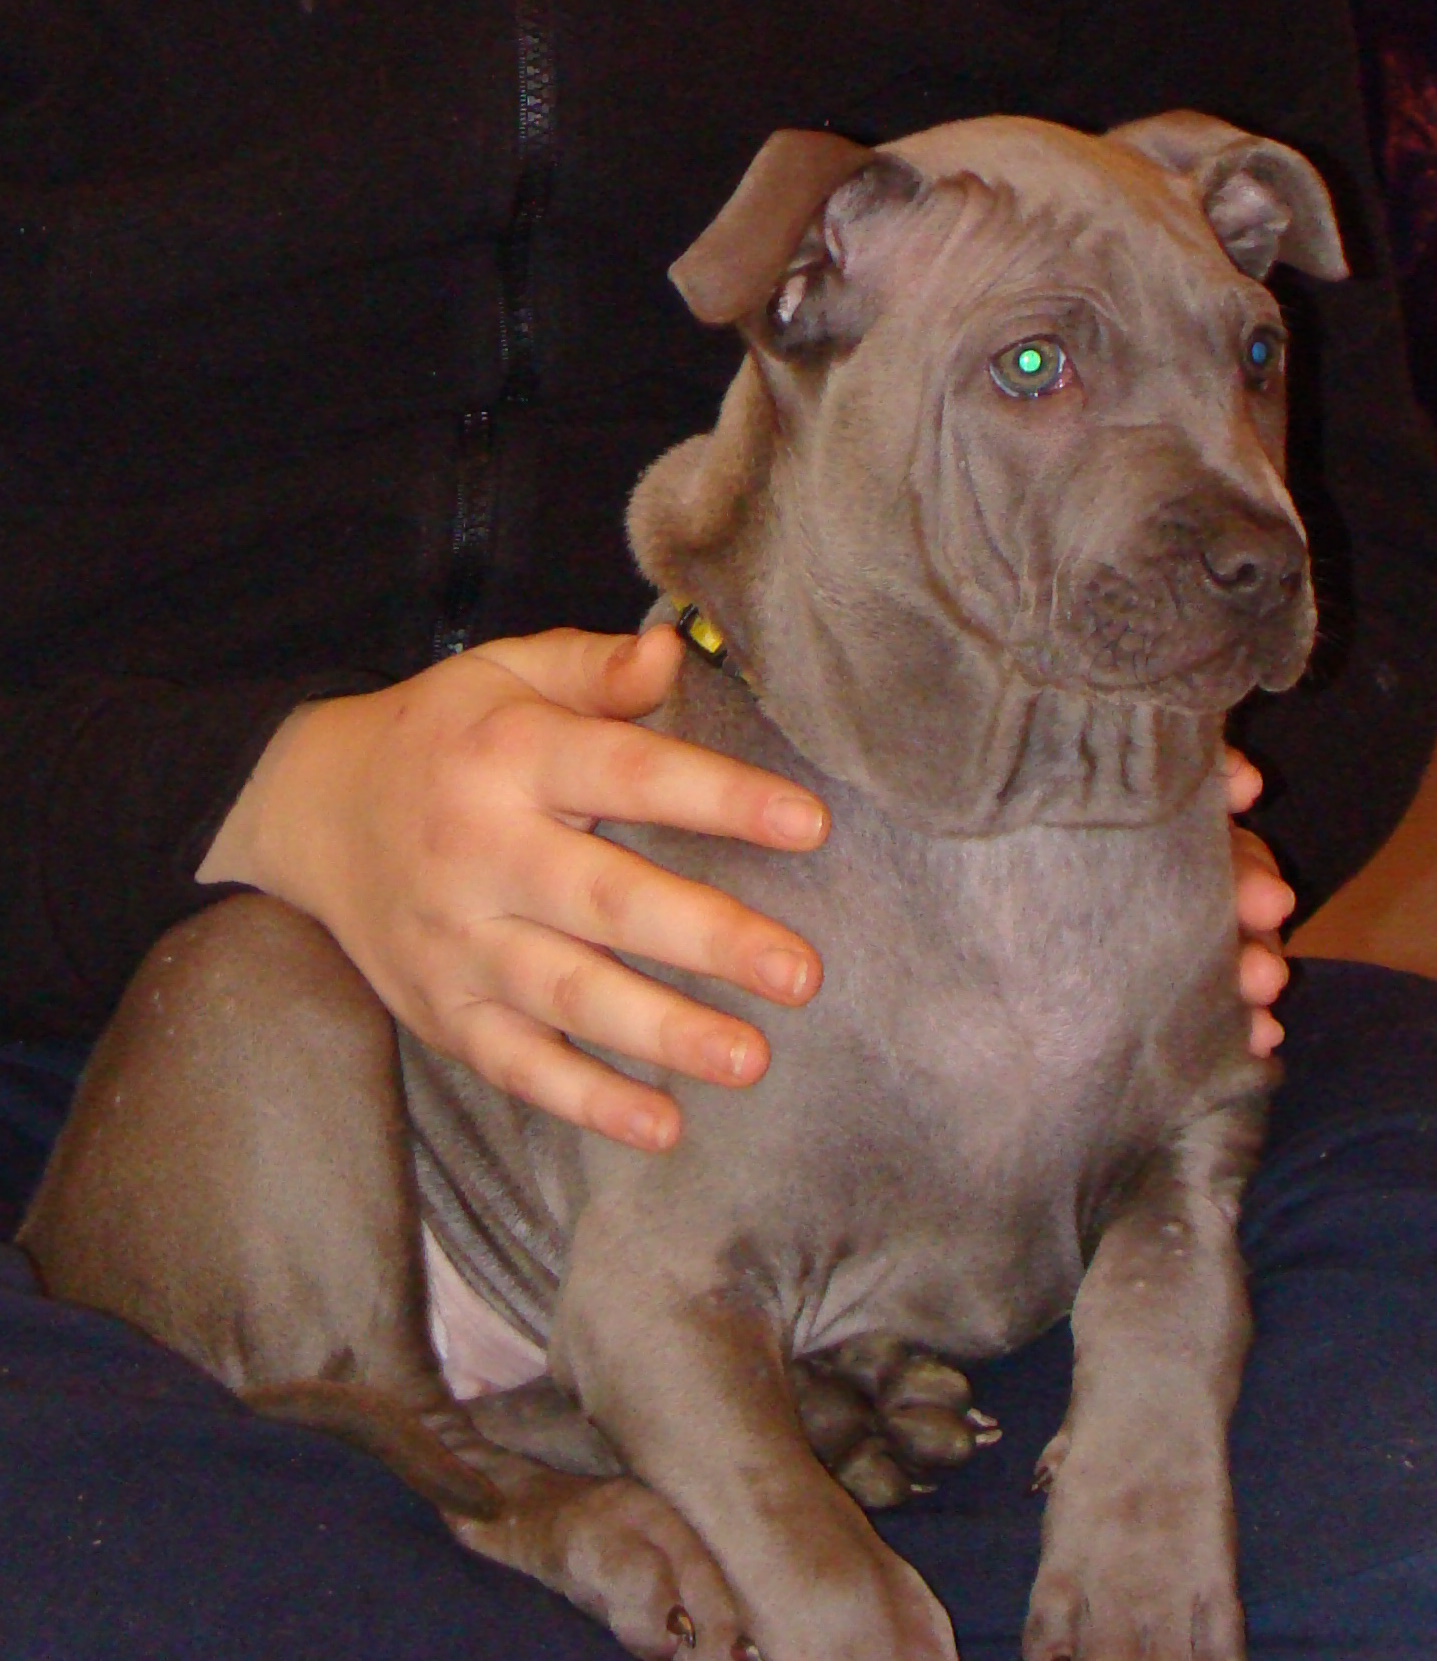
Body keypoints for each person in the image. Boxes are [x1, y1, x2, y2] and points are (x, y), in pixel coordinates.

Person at [0, 1, 1433, 1657]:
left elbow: (1356, 571)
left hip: (987, 1041)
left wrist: (1159, 799)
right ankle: (490, 1481)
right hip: (143, 1037)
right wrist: (266, 792)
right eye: (1038, 369)